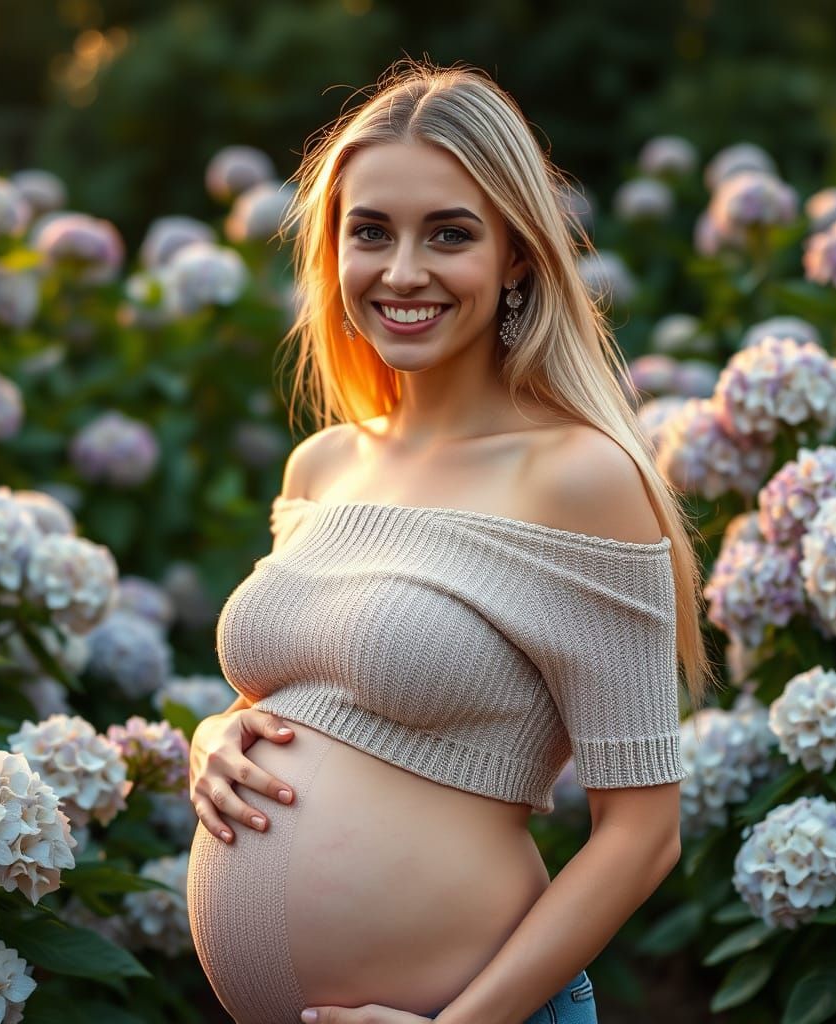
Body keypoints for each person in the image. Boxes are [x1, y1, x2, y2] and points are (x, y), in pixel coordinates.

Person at [186, 57, 715, 1024]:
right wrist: (215, 736)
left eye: (450, 234)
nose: (401, 271)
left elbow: (643, 834)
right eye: (370, 232)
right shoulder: (320, 467)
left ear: (517, 255)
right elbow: (308, 704)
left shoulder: (578, 477)